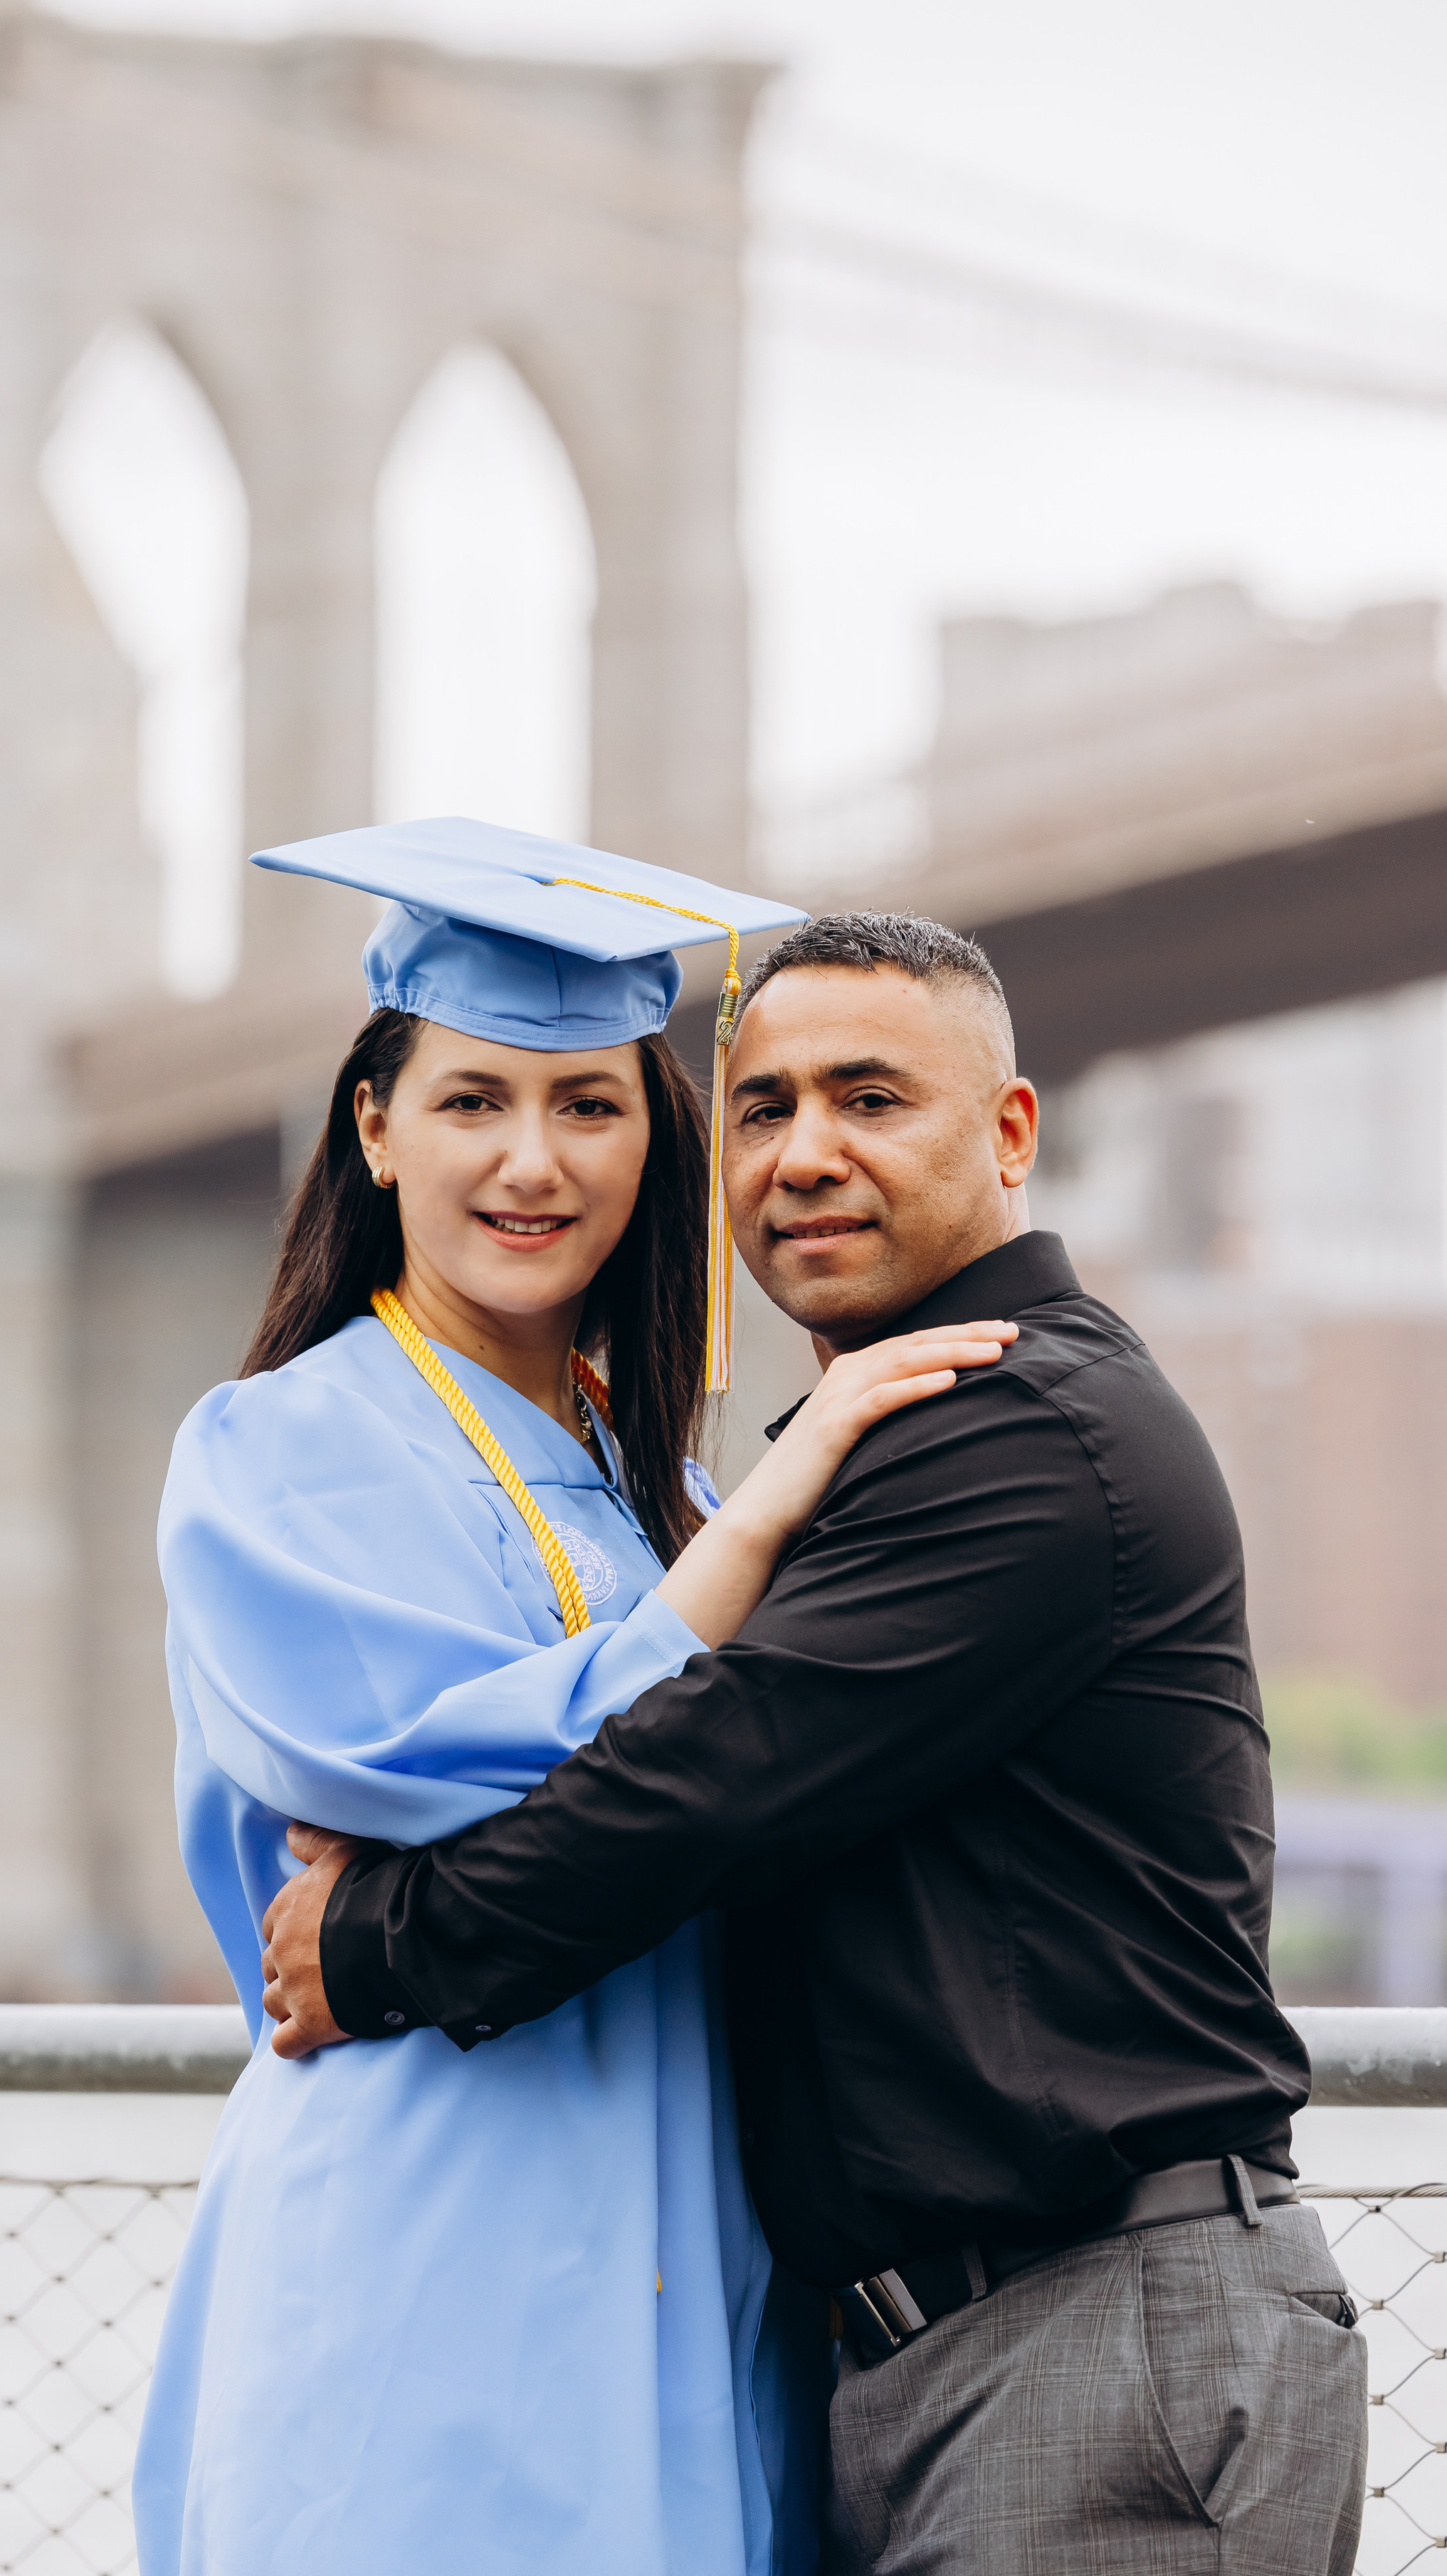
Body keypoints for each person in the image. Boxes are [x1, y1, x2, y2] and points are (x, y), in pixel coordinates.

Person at [264, 908, 1369, 2576]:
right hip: (934, 2357)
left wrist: (375, 1939)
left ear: (1006, 1132)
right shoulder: (884, 1437)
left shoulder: (1022, 1424)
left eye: (868, 1097)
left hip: (1094, 2341)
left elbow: (705, 1776)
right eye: (764, 1107)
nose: (803, 1154)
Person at [133, 827, 1016, 2576]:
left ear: (649, 1140)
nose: (531, 1161)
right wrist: (776, 1500)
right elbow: (449, 1779)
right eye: (470, 1102)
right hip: (431, 2216)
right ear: (373, 1129)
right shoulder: (278, 1448)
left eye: (588, 1106)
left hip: (698, 2240)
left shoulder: (646, 1489)